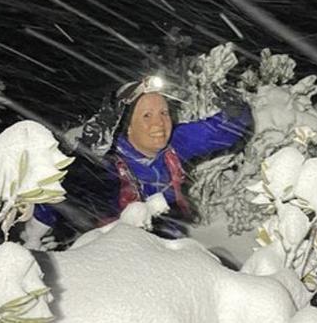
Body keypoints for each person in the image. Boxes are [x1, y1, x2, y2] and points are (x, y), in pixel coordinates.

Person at [37, 74, 251, 238]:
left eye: (164, 113)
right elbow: (57, 200)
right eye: (146, 116)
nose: (159, 123)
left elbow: (222, 132)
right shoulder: (109, 164)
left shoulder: (174, 146)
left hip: (172, 249)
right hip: (122, 265)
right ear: (126, 126)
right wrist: (86, 161)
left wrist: (237, 112)